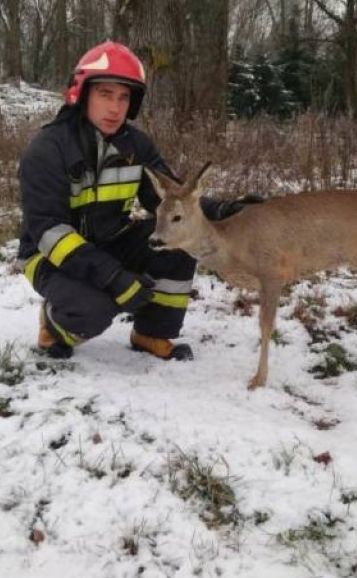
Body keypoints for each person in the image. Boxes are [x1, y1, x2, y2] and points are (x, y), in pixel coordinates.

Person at [17, 40, 257, 361]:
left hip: (109, 242)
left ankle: (151, 333)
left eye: (124, 97)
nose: (115, 108)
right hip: (49, 255)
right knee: (95, 309)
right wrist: (113, 277)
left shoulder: (136, 146)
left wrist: (229, 211)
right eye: (105, 94)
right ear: (82, 93)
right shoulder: (48, 149)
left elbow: (176, 201)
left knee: (176, 237)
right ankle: (54, 326)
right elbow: (50, 234)